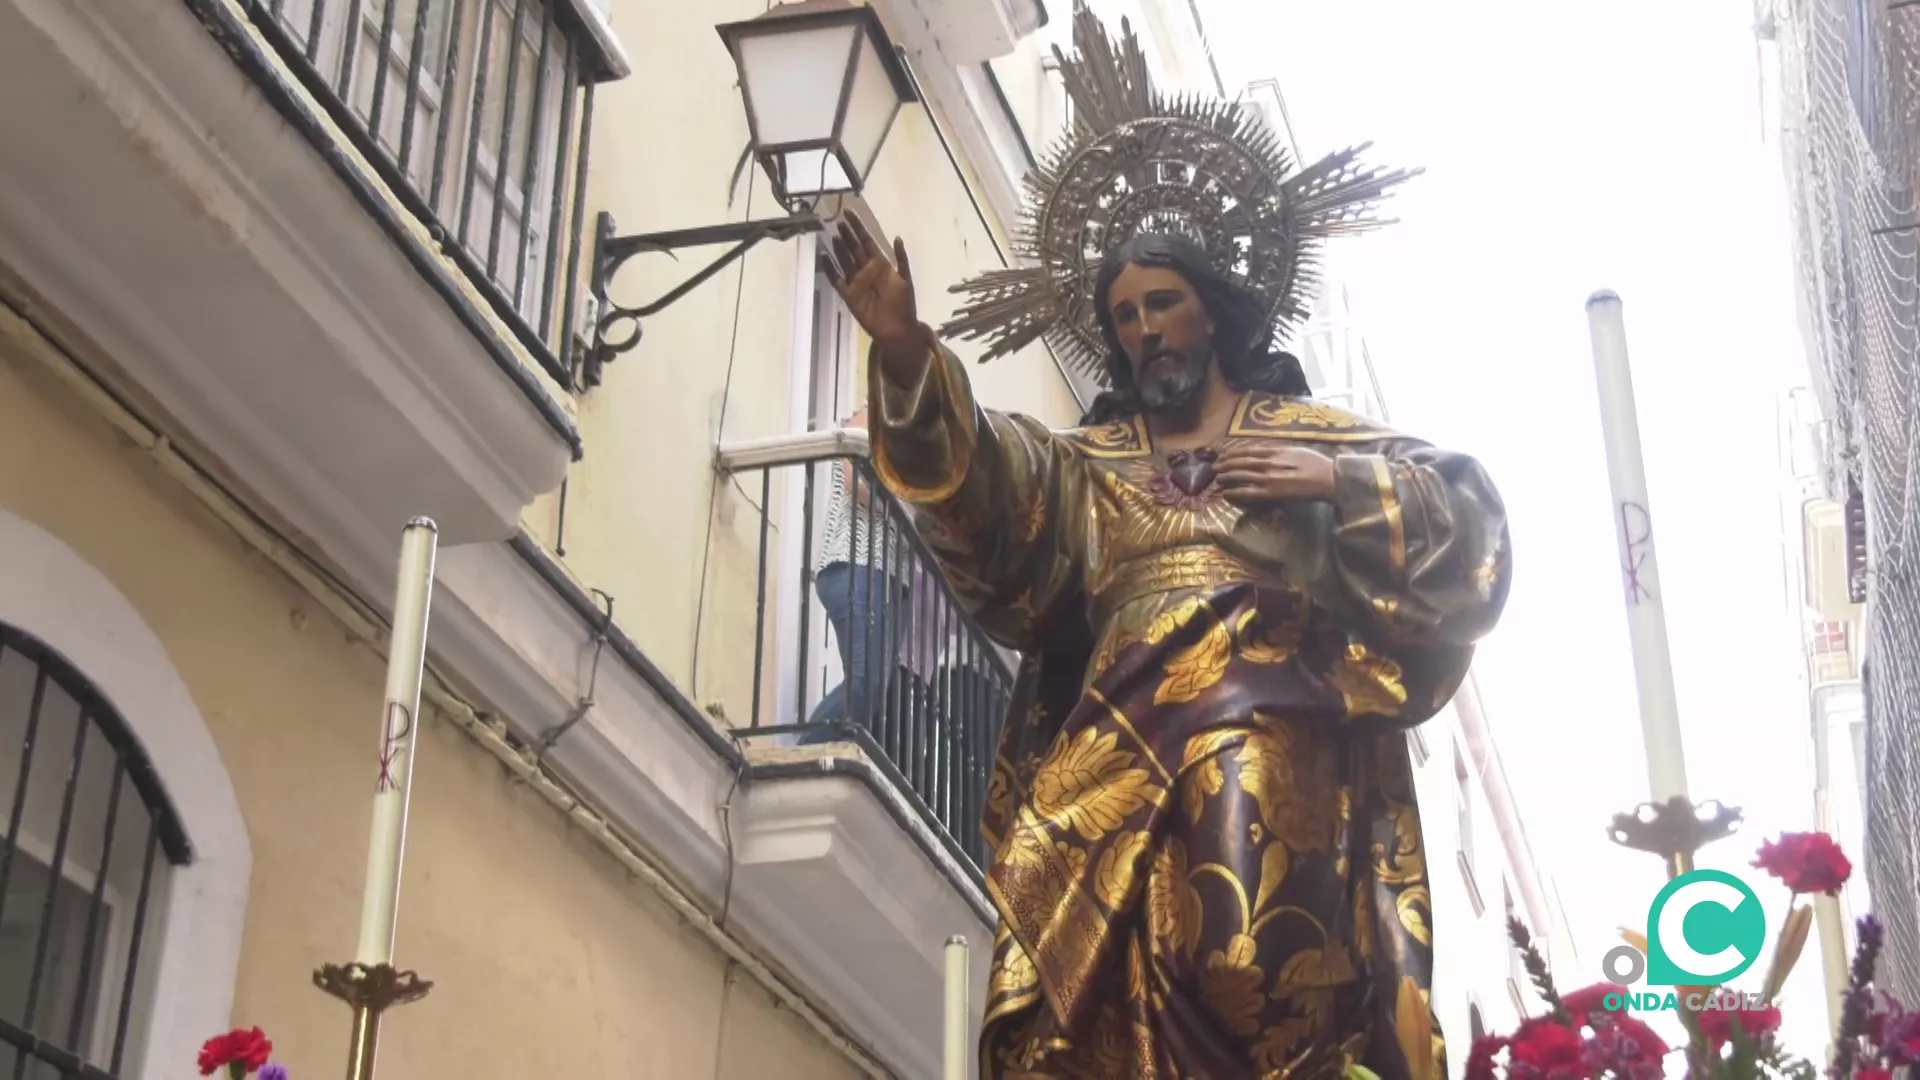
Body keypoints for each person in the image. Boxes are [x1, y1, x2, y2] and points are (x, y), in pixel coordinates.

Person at [815, 16, 1508, 1074]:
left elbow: (1468, 523)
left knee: (1242, 938)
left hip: (1275, 738)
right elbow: (994, 492)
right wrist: (907, 349)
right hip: (1114, 755)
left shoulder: (1310, 439)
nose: (1142, 328)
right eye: (1125, 312)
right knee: (1086, 1016)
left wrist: (1337, 485)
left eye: (1163, 303)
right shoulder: (1093, 464)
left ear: (1215, 314)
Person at [802, 405, 915, 744]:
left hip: (894, 577)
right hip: (857, 562)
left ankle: (822, 754)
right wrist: (908, 507)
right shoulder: (874, 412)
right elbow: (856, 480)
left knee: (874, 688)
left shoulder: (922, 444)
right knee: (865, 683)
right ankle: (804, 755)